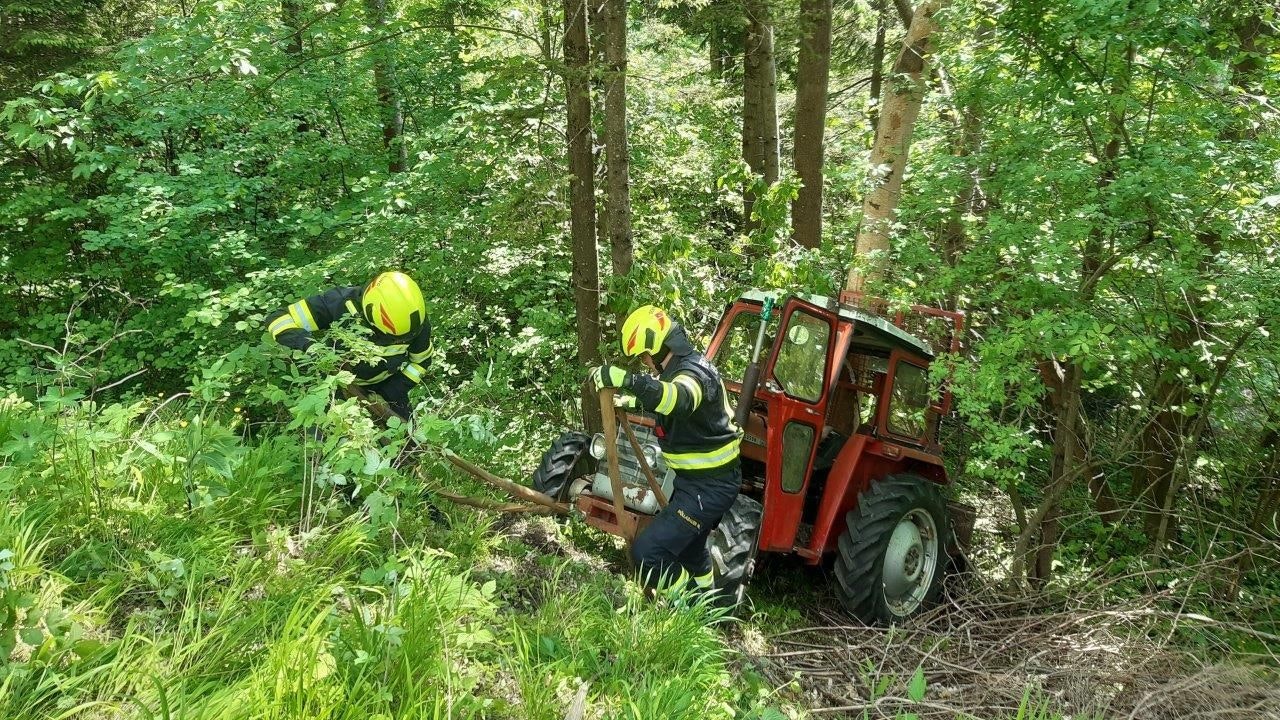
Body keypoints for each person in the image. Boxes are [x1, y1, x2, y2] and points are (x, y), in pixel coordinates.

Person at [588, 305, 742, 596]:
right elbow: (676, 409)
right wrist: (634, 402)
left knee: (647, 554)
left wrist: (628, 380)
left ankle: (686, 608)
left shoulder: (694, 374)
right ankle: (711, 604)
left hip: (709, 487)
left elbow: (679, 400)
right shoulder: (682, 368)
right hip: (697, 483)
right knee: (692, 553)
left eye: (644, 356)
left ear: (658, 349)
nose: (645, 363)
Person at [266, 271, 432, 420]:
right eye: (392, 338)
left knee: (409, 439)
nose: (397, 342)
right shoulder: (340, 303)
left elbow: (421, 362)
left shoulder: (415, 324)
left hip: (387, 387)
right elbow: (278, 319)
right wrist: (311, 347)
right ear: (370, 316)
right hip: (335, 383)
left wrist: (391, 392)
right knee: (328, 435)